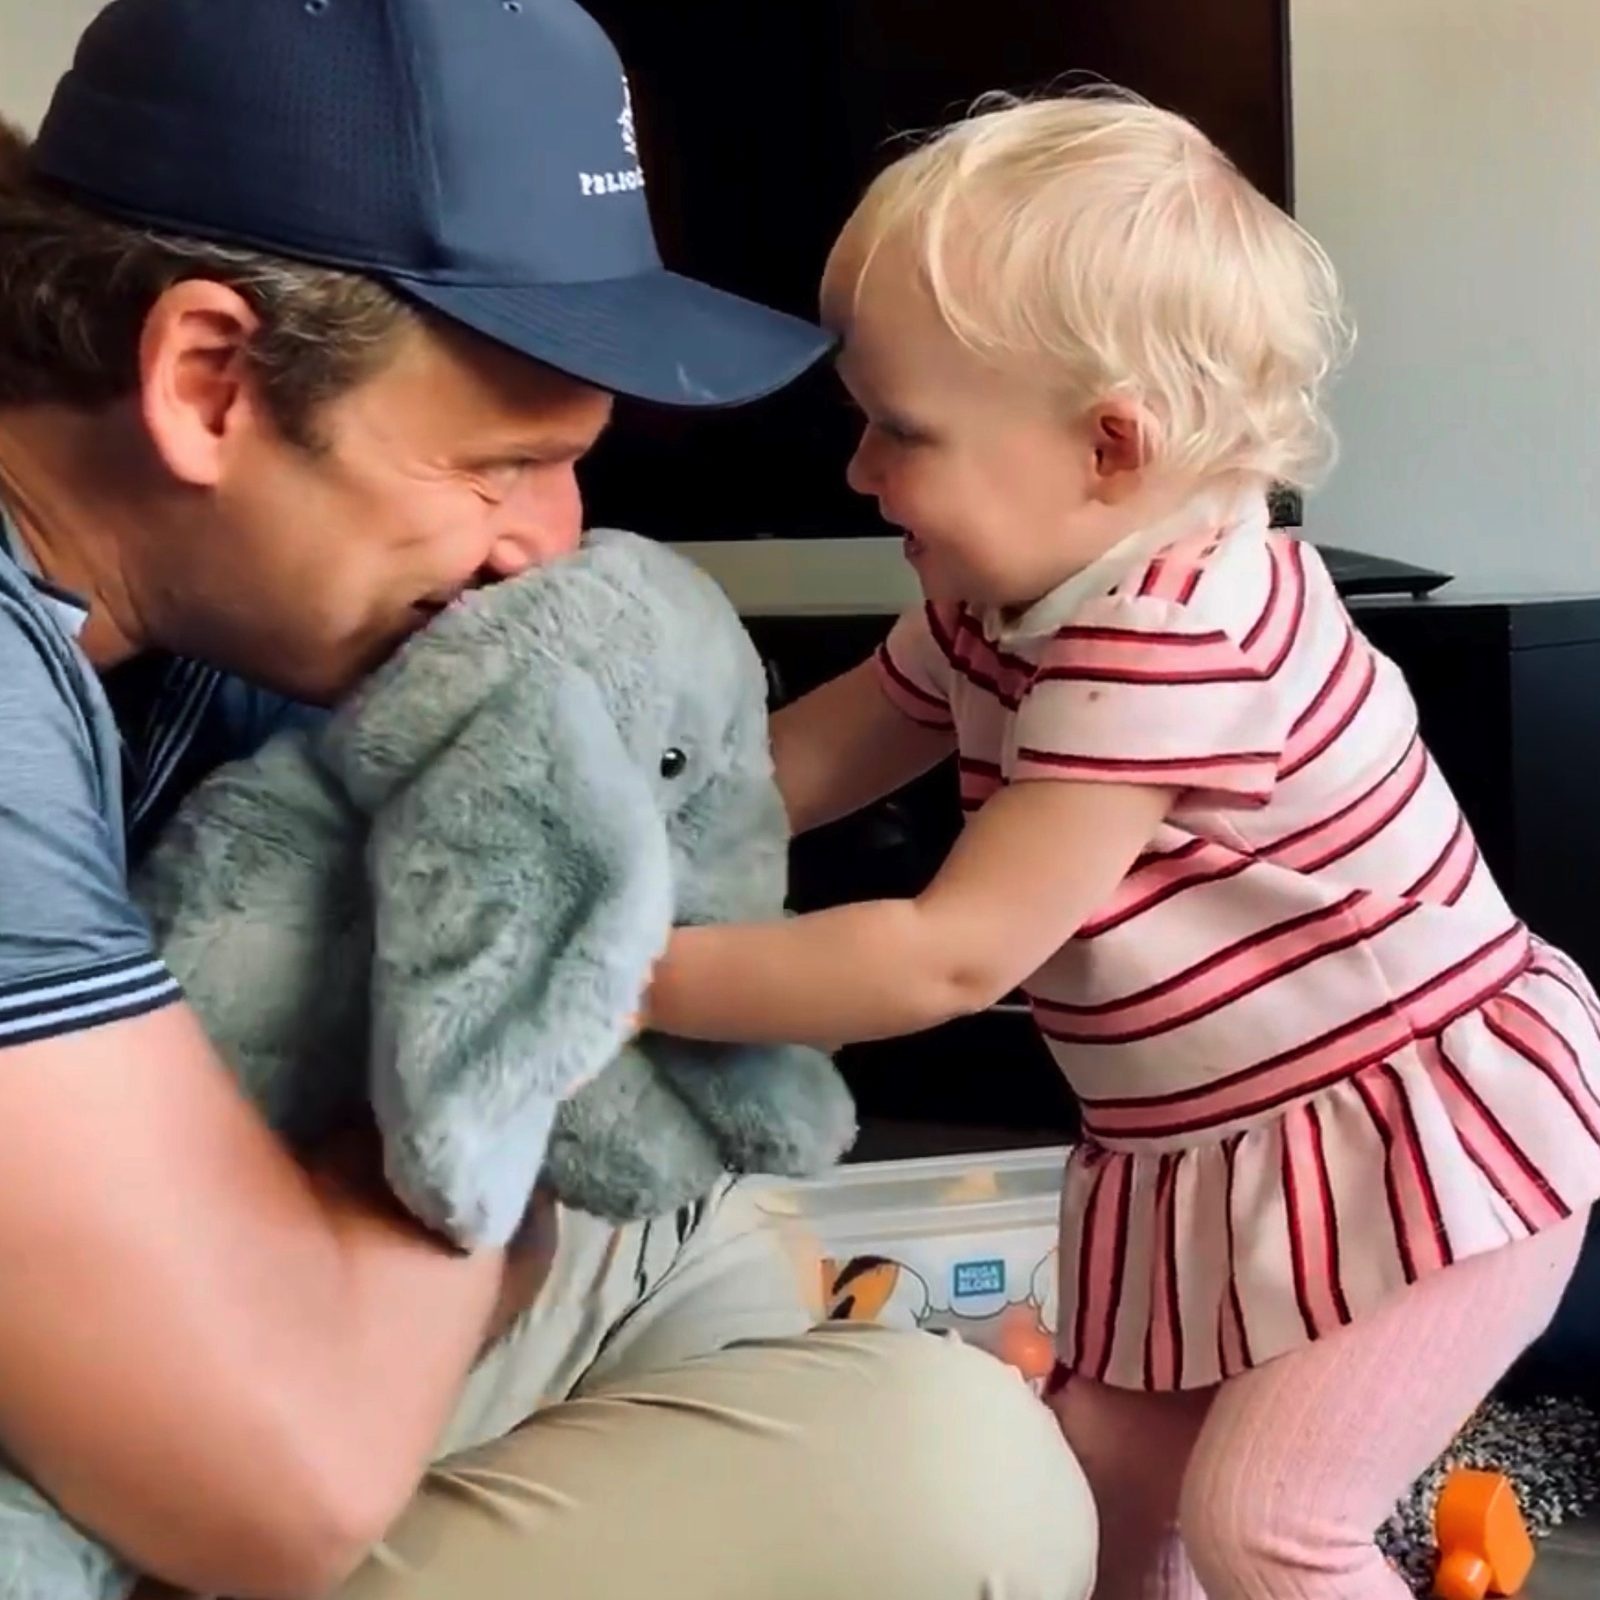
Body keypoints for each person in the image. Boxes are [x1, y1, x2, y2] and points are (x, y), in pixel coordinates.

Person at [0, 2, 1097, 1597]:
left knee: (710, 1256)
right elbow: (280, 1492)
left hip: (221, 1376)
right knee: (958, 1482)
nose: (549, 542)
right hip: (205, 1477)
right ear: (209, 378)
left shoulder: (212, 607)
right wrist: (487, 1056)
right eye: (497, 463)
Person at [643, 89, 1600, 1600]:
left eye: (900, 431)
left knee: (1269, 1528)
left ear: (1109, 445)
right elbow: (806, 760)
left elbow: (950, 953)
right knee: (1092, 1504)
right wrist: (641, 820)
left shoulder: (1173, 642)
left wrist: (641, 977)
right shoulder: (1001, 599)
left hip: (1409, 1139)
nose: (859, 474)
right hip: (1204, 1158)